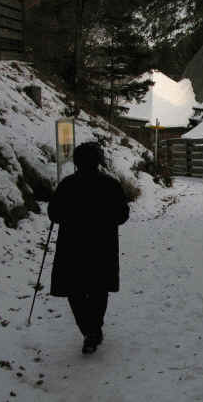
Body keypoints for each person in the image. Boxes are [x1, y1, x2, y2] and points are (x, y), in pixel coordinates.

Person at [48, 142, 130, 354]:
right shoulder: (110, 185)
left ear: (77, 162)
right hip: (102, 247)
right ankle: (94, 329)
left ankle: (89, 330)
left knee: (74, 291)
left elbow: (54, 214)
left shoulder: (67, 185)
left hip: (72, 248)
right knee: (98, 290)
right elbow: (122, 215)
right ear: (98, 161)